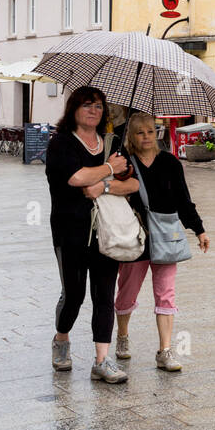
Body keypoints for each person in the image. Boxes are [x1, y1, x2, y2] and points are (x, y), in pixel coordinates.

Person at [45, 86, 139, 383]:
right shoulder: (61, 143)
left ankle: (101, 360)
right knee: (74, 294)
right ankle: (61, 339)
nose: (93, 111)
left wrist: (107, 185)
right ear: (73, 109)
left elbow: (132, 185)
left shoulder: (112, 142)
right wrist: (109, 167)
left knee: (104, 295)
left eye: (98, 106)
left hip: (107, 232)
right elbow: (76, 178)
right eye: (87, 105)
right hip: (70, 231)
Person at [114, 112, 209, 372]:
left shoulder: (169, 162)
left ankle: (165, 350)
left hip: (167, 236)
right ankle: (122, 335)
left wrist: (199, 229)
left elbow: (183, 199)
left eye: (149, 131)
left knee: (166, 295)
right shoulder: (124, 162)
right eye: (139, 132)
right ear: (131, 136)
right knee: (127, 291)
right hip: (135, 237)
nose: (146, 136)